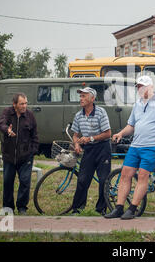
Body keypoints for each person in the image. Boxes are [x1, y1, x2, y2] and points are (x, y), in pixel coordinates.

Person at [105, 75, 155, 220]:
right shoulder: (138, 104)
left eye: (142, 86)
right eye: (138, 87)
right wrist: (121, 133)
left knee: (142, 175)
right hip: (136, 145)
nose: (140, 89)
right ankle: (119, 208)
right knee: (125, 174)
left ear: (150, 87)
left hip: (153, 146)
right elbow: (131, 126)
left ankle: (132, 209)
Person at [70, 87, 112, 215]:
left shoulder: (100, 112)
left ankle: (101, 209)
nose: (81, 99)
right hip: (88, 149)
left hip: (102, 148)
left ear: (92, 99)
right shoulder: (78, 115)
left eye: (84, 96)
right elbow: (75, 135)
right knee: (82, 179)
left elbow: (108, 133)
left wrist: (91, 138)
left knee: (104, 179)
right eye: (80, 96)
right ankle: (77, 208)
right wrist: (76, 144)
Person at [0, 92, 39, 215]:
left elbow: (35, 135)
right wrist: (7, 130)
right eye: (21, 104)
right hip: (9, 155)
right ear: (14, 104)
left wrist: (33, 151)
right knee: (7, 181)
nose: (24, 106)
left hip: (25, 156)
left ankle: (22, 207)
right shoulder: (7, 112)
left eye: (26, 103)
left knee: (25, 181)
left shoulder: (30, 115)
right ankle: (8, 207)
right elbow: (1, 124)